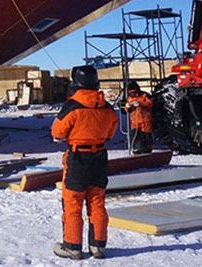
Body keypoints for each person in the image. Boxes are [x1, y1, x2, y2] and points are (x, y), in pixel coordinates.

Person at [51, 66, 118, 260]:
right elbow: (111, 133)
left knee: (73, 203)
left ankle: (72, 247)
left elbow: (57, 133)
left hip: (78, 159)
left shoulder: (72, 107)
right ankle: (98, 247)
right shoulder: (107, 107)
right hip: (100, 158)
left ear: (75, 84)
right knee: (97, 202)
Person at [124, 81, 153, 154]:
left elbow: (150, 103)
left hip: (145, 120)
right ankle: (141, 149)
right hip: (135, 121)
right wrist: (127, 107)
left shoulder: (144, 96)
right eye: (131, 93)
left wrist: (141, 104)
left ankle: (147, 149)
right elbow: (127, 110)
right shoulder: (129, 99)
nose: (134, 94)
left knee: (146, 135)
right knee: (136, 135)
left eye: (135, 92)